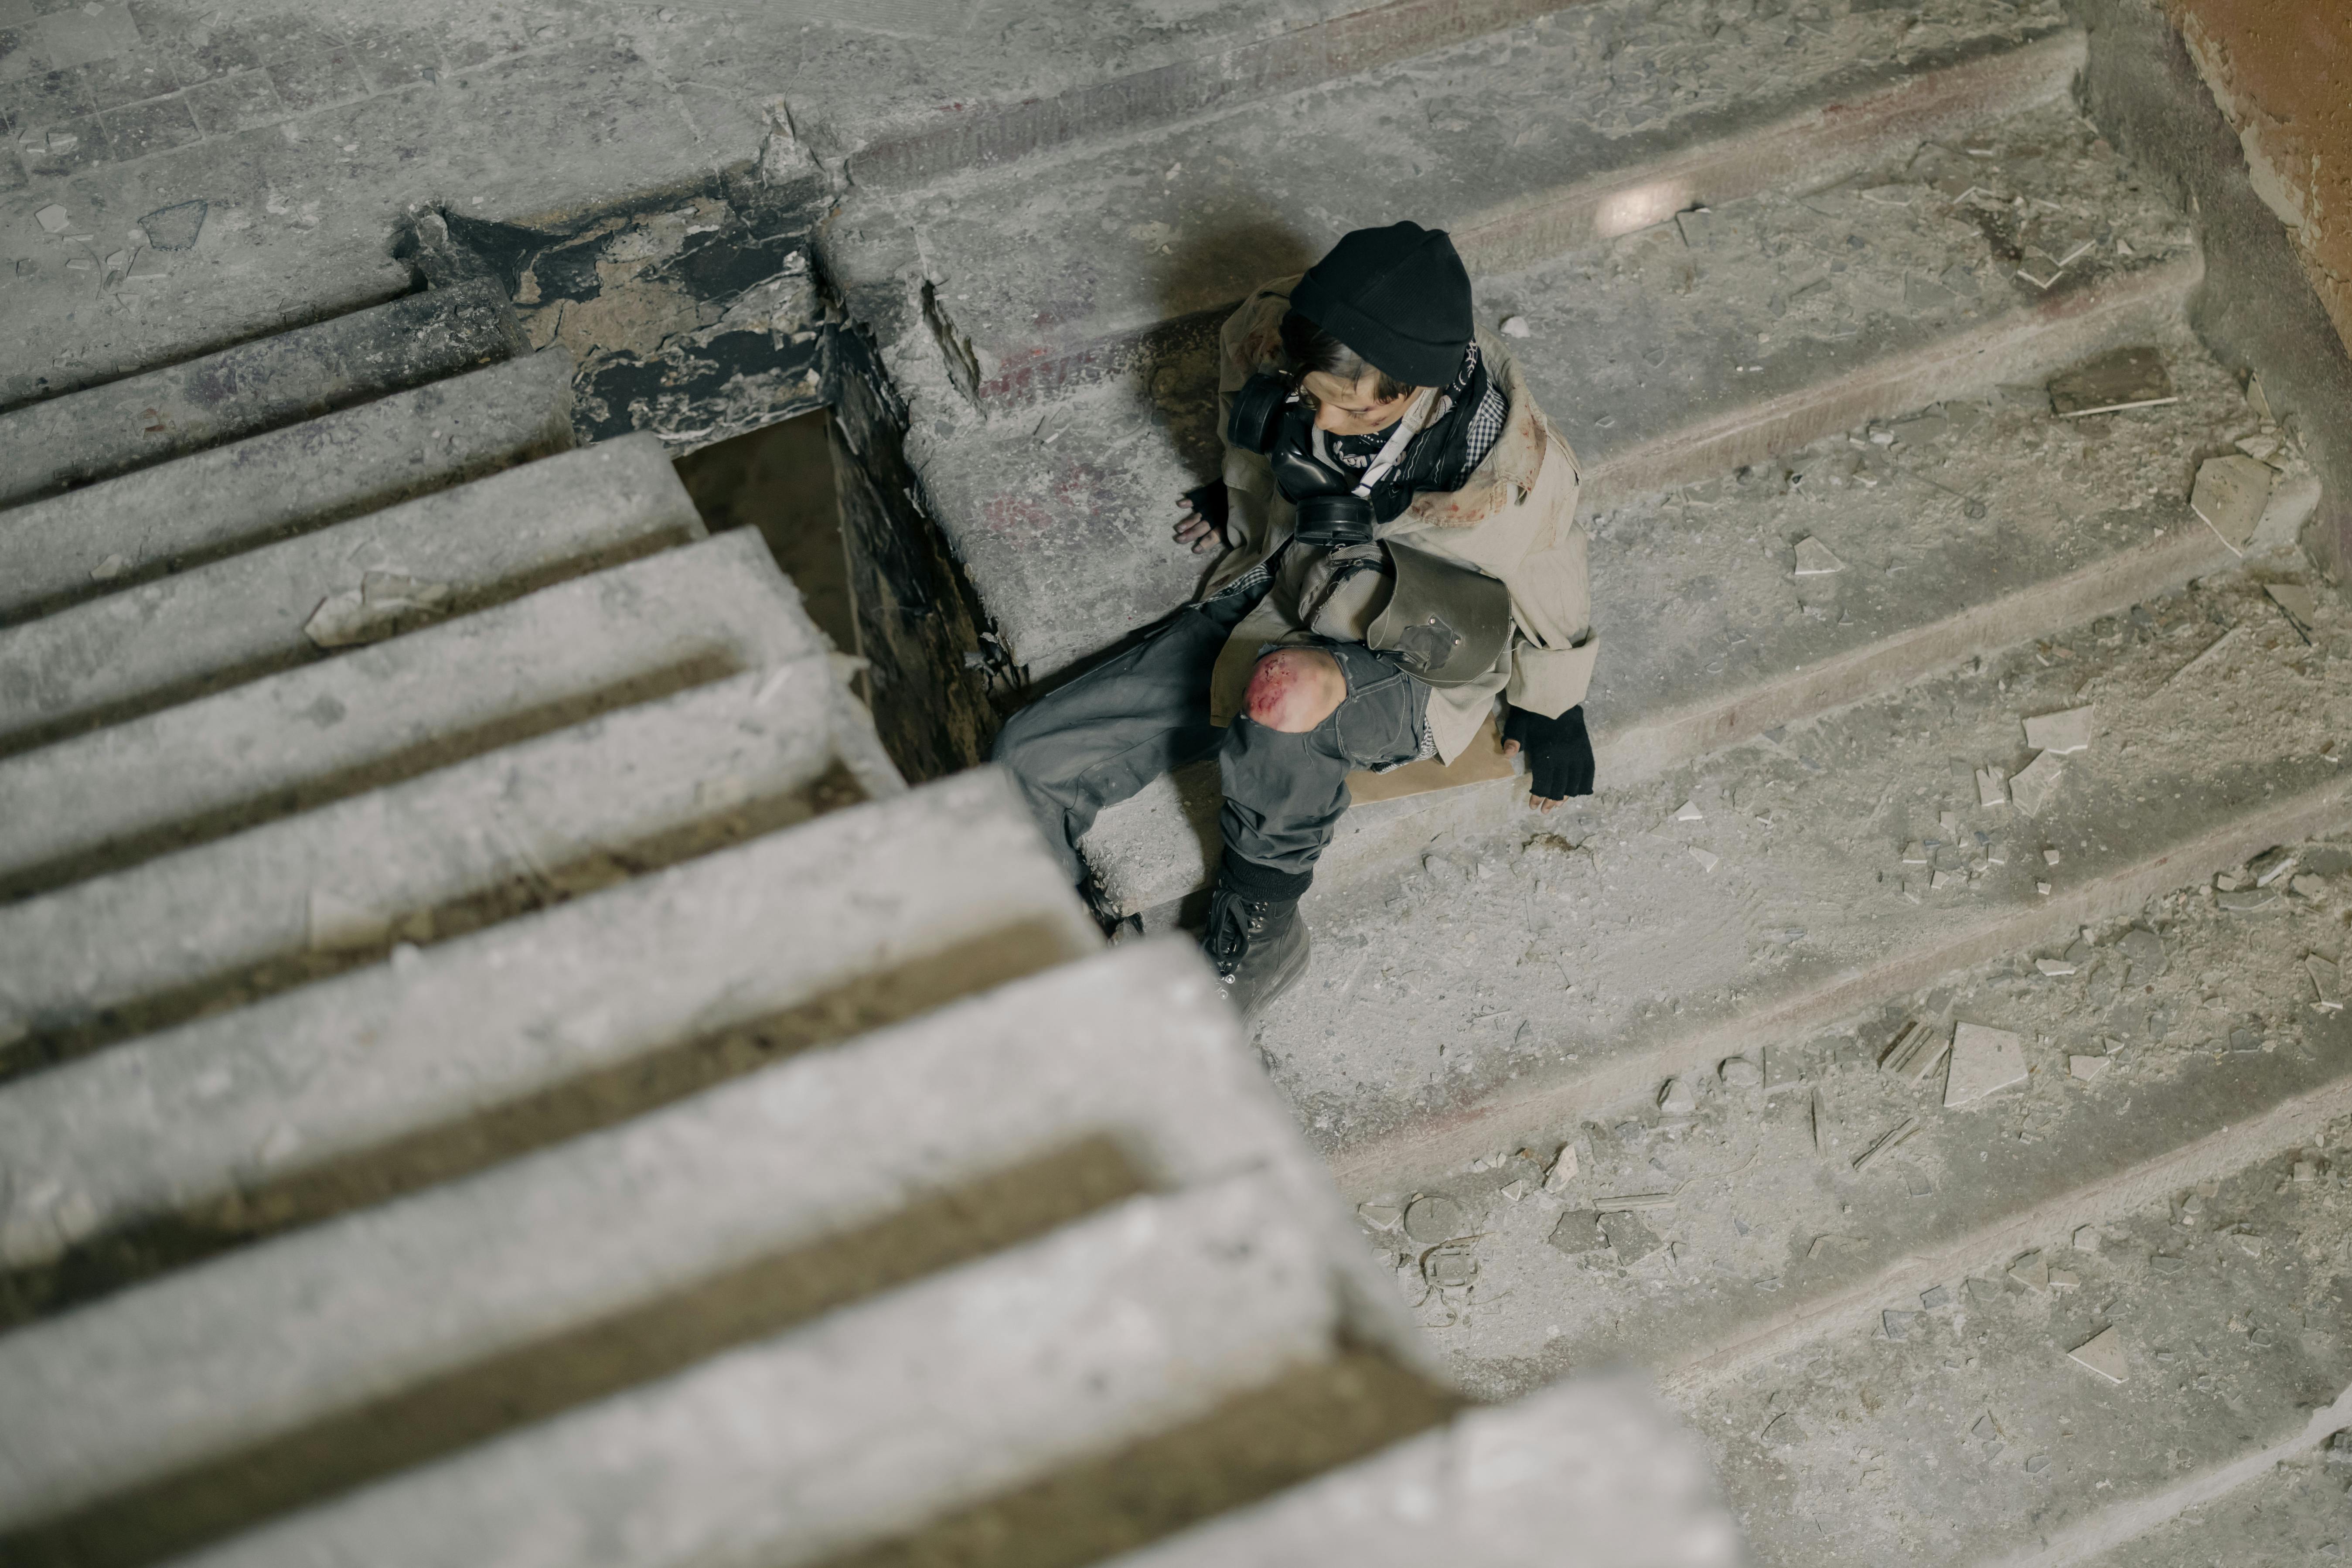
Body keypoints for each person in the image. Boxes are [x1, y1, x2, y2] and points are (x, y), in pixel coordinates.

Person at [992, 222, 1599, 1017]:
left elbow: (1551, 563)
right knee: (1026, 760)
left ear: (1415, 392)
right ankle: (1061, 950)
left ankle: (1262, 941)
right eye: (1312, 399)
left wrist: (1553, 706)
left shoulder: (1504, 471)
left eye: (1351, 414)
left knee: (1283, 697)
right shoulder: (1270, 335)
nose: (1324, 426)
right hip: (1278, 589)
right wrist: (1241, 488)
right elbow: (1238, 396)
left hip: (1401, 634)